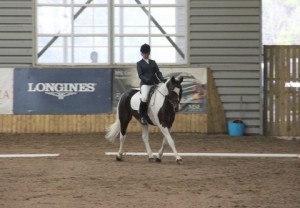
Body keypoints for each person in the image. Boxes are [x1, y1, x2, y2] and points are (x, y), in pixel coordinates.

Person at [136, 43, 165, 125]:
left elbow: (158, 73)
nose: (145, 54)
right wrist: (147, 80)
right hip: (145, 84)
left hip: (155, 83)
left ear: (149, 53)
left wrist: (162, 80)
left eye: (147, 53)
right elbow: (140, 75)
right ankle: (142, 116)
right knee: (144, 98)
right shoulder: (139, 63)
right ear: (141, 53)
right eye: (144, 53)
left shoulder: (153, 62)